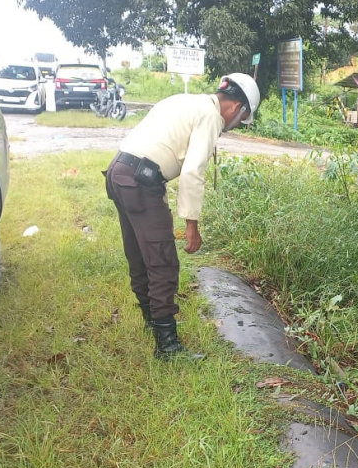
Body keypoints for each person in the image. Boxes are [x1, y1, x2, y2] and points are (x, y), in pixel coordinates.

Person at [104, 73, 260, 361]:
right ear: (237, 107)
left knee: (140, 255)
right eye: (241, 120)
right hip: (140, 182)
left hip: (119, 172)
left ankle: (152, 322)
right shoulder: (211, 116)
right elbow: (192, 171)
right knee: (162, 262)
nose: (236, 125)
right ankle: (168, 346)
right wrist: (192, 224)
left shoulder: (186, 101)